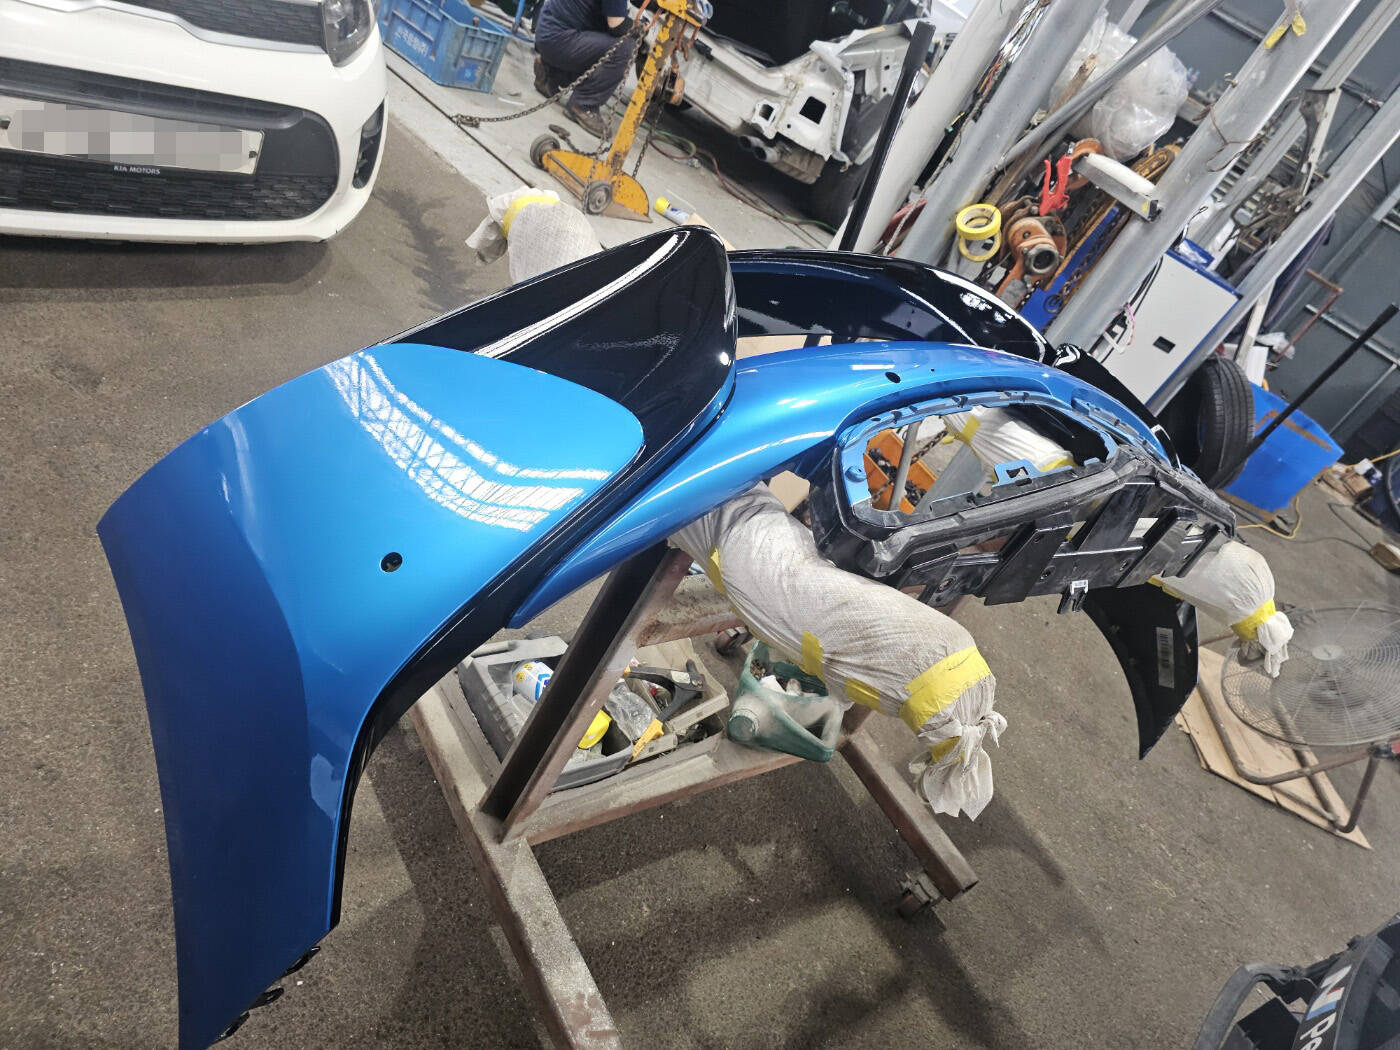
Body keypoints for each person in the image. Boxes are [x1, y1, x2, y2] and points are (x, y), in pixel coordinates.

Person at [533, 0, 633, 138]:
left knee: (601, 35)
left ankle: (551, 73)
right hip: (560, 40)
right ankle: (584, 105)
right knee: (624, 47)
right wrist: (639, 28)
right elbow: (618, 27)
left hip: (547, 34)